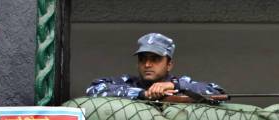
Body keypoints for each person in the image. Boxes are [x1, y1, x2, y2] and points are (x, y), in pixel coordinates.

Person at [86, 33, 224, 100]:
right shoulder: (128, 82)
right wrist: (142, 94)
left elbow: (217, 91)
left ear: (169, 65)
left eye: (155, 59)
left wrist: (175, 86)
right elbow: (94, 89)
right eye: (142, 59)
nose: (147, 64)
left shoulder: (181, 84)